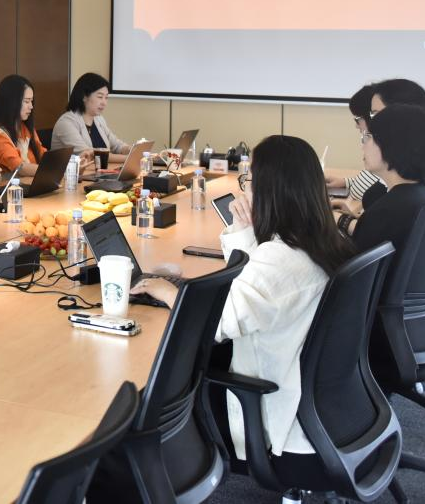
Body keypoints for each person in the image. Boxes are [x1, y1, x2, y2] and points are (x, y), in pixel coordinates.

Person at [130, 135, 356, 478]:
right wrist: (244, 233)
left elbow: (219, 324)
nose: (244, 188)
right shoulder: (324, 239)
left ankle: (174, 475)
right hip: (330, 409)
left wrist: (166, 291)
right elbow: (250, 289)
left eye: (249, 180)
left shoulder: (280, 257)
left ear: (270, 192)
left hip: (281, 419)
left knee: (164, 381)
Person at [329, 79, 425, 216]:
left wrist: (345, 221)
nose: (371, 122)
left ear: (402, 113)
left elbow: (382, 217)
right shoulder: (421, 159)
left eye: (375, 114)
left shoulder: (407, 173)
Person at [341, 103, 425, 260]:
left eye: (368, 138)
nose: (363, 146)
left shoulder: (385, 212)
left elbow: (354, 266)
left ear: (391, 147)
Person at [0, 74, 59, 182]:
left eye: (31, 101)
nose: (31, 106)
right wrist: (54, 170)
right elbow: (19, 167)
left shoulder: (25, 127)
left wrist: (68, 164)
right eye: (26, 101)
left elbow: (42, 155)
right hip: (7, 189)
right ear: (11, 102)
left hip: (31, 185)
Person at [51, 72, 130, 159]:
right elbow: (90, 155)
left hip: (98, 168)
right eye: (100, 97)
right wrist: (128, 159)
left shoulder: (99, 119)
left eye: (106, 97)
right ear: (84, 97)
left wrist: (132, 150)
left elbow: (117, 146)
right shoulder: (66, 123)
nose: (104, 103)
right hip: (74, 168)